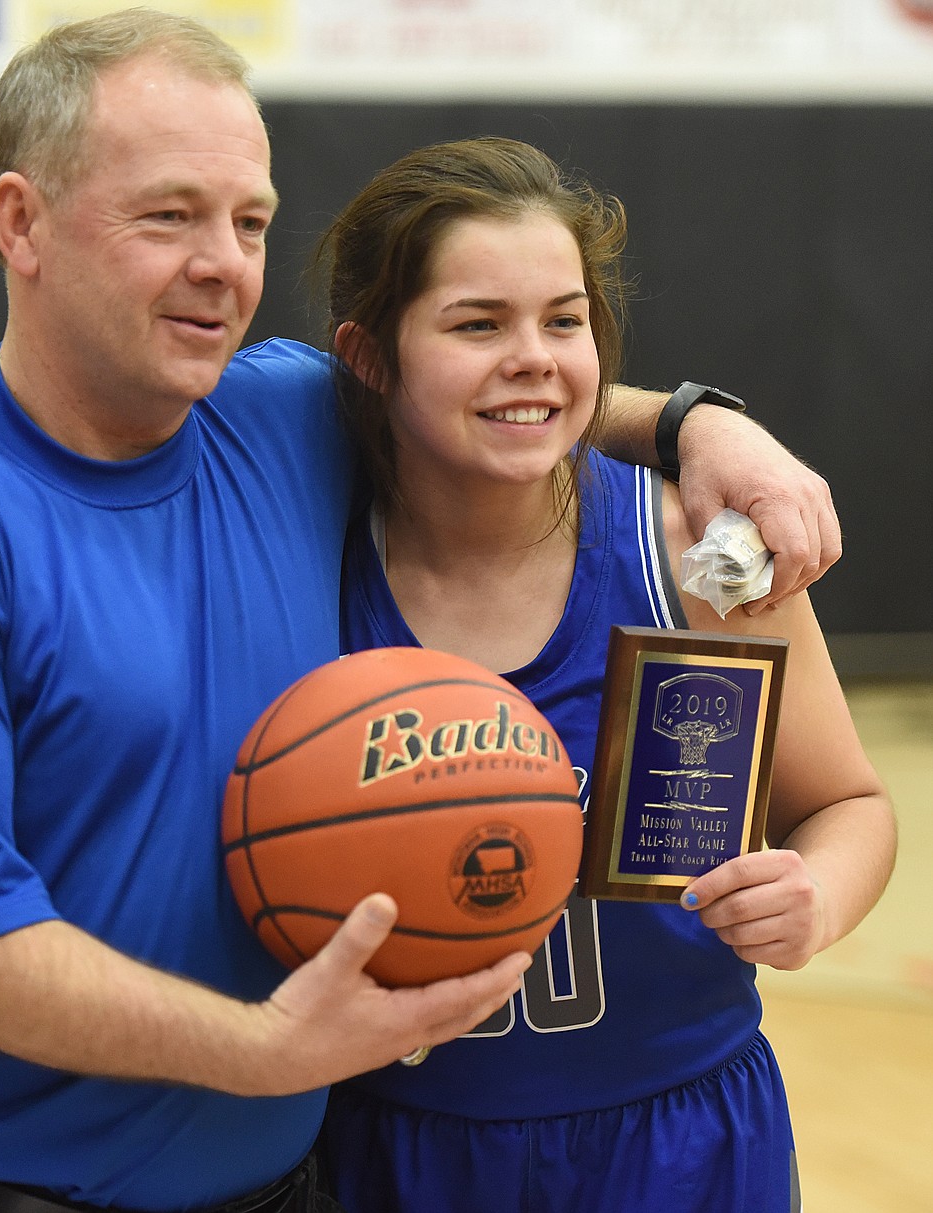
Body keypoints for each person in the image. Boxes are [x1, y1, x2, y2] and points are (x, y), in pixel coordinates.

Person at [0, 8, 845, 1213]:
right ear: (21, 221)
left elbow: (488, 382)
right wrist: (267, 1049)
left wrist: (702, 424)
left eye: (250, 220)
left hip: (292, 1180)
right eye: (169, 214)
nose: (223, 261)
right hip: (1, 1188)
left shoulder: (277, 418)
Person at [303, 137, 896, 1212]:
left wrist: (818, 895)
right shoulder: (302, 566)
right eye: (478, 322)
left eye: (563, 319)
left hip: (680, 1135)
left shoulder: (701, 556)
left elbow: (849, 802)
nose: (533, 356)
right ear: (371, 355)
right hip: (398, 1140)